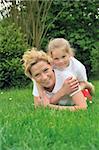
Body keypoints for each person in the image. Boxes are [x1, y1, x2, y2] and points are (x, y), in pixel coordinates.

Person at [22, 47, 87, 111]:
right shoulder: (37, 83)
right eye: (37, 75)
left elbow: (82, 107)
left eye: (46, 70)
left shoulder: (67, 78)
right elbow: (39, 108)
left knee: (86, 90)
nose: (44, 77)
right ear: (32, 77)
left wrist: (50, 107)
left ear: (51, 65)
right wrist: (62, 91)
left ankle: (87, 85)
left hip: (84, 94)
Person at [47, 38, 95, 102]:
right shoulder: (50, 65)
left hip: (77, 85)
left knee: (87, 97)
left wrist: (76, 91)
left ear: (69, 54)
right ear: (51, 57)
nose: (61, 61)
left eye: (63, 57)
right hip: (62, 87)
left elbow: (82, 83)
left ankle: (90, 87)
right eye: (56, 59)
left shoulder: (77, 66)